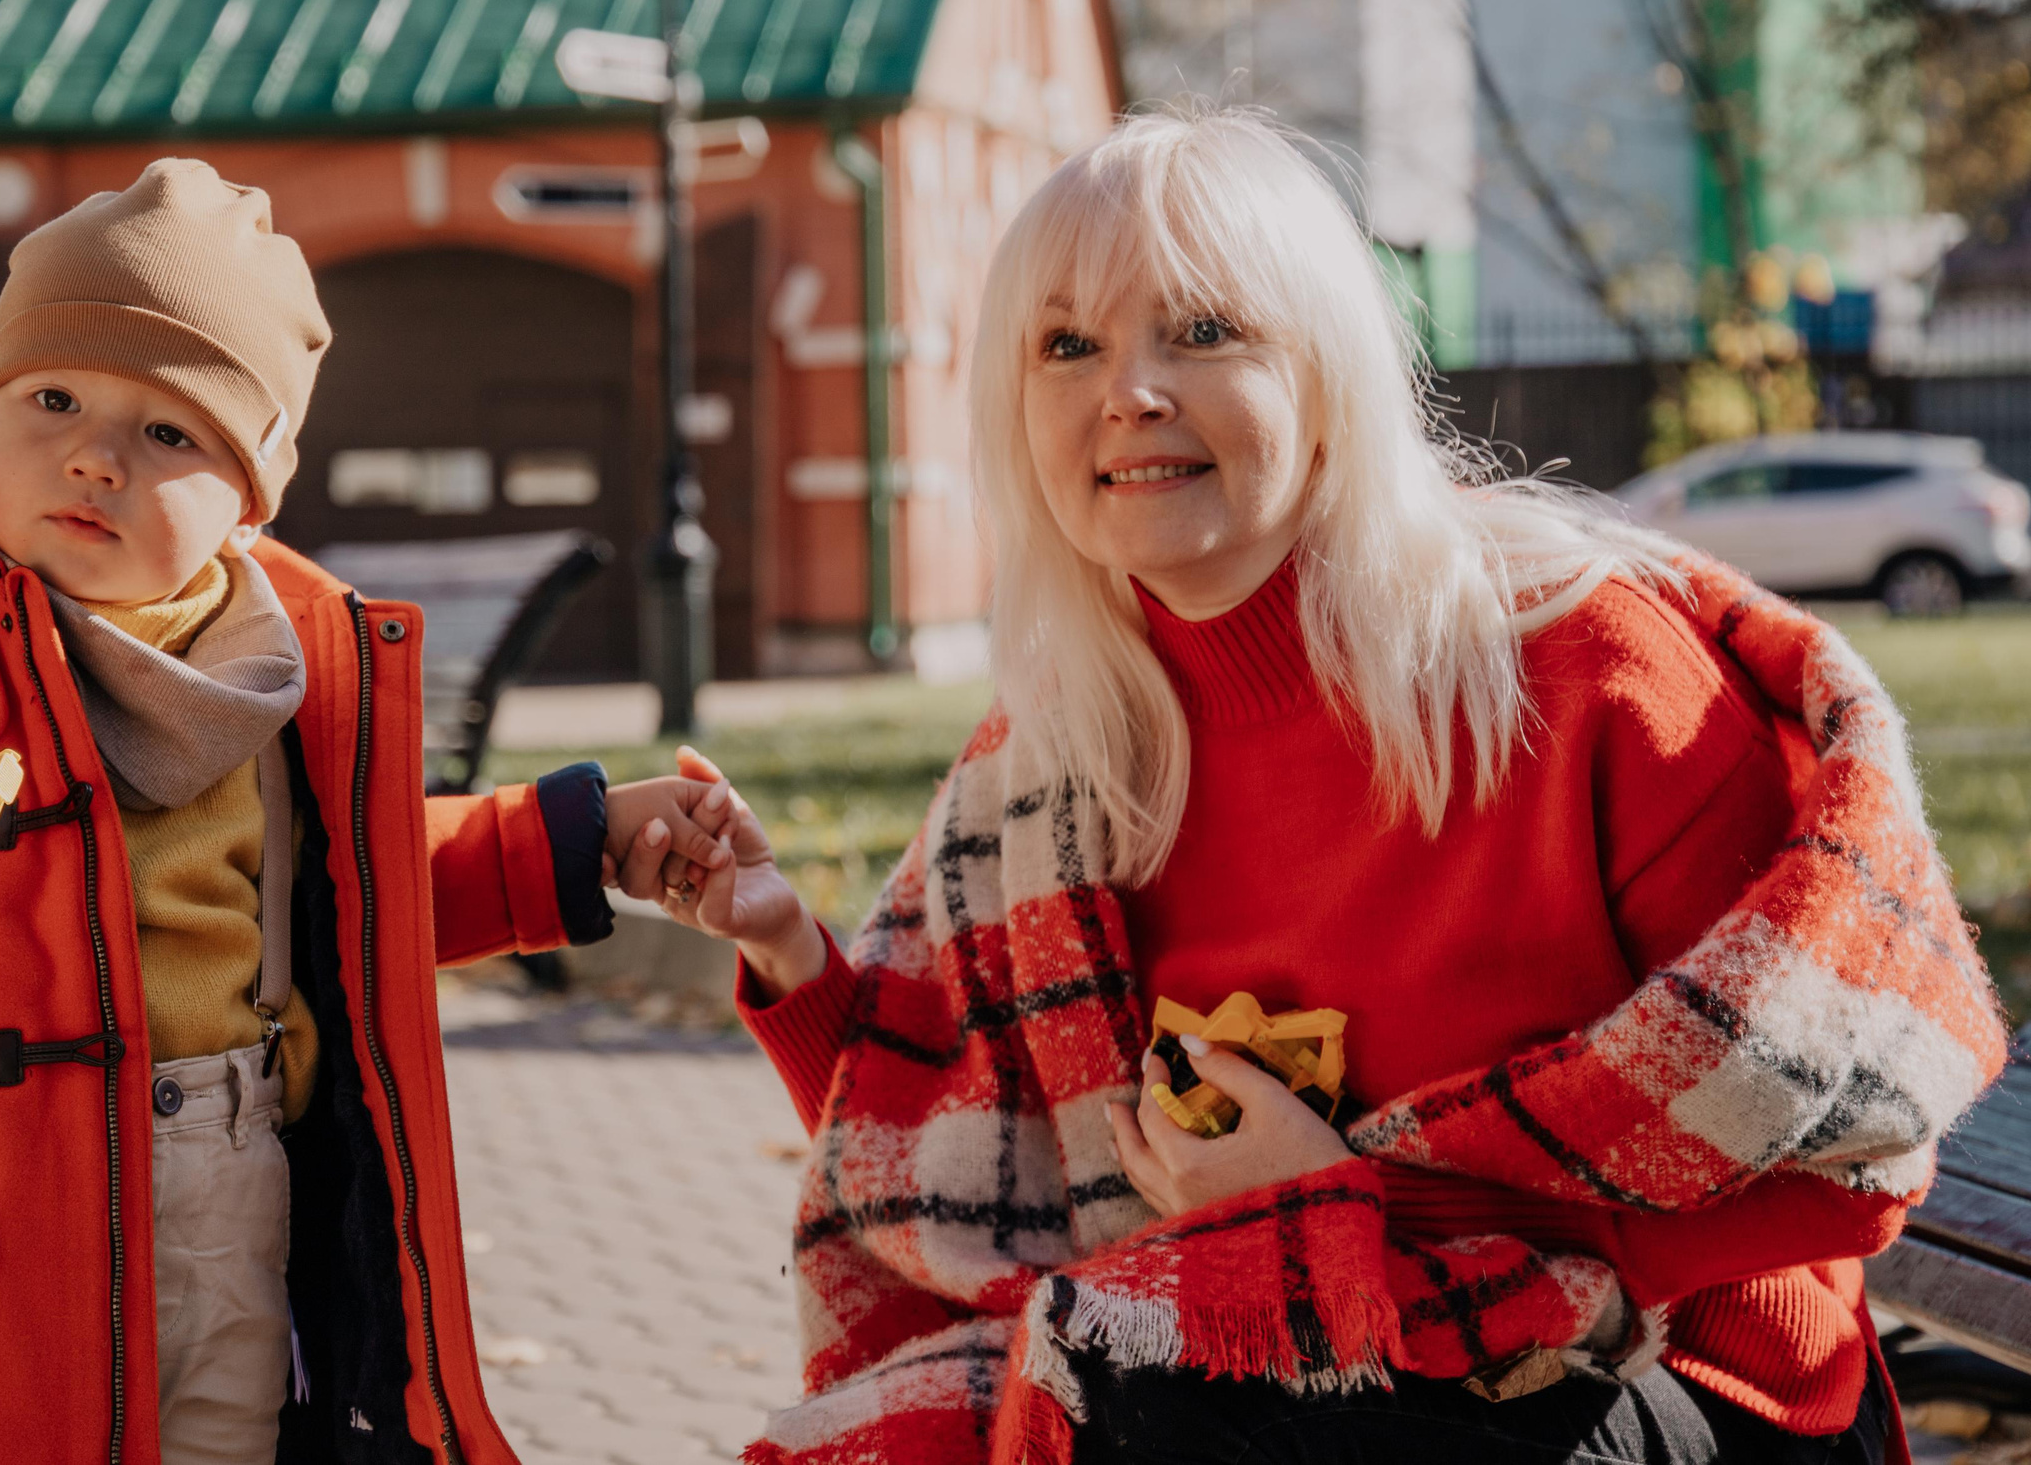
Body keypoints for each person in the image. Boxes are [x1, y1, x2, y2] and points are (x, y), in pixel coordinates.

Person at [643, 108, 2008, 1465]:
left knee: (1170, 1376)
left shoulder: (1588, 666)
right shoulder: (1052, 762)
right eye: (1068, 346)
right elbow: (961, 1172)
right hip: (1290, 1382)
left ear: (1328, 372)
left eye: (1202, 330)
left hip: (1698, 1384)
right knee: (1124, 1375)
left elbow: (1852, 1159)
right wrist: (782, 943)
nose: (1130, 392)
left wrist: (1350, 1212)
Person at [0, 159, 735, 1465]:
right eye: (54, 399)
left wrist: (581, 839)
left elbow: (357, 892)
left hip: (223, 1196)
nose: (95, 455)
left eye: (171, 434)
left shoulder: (282, 666)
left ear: (249, 497)